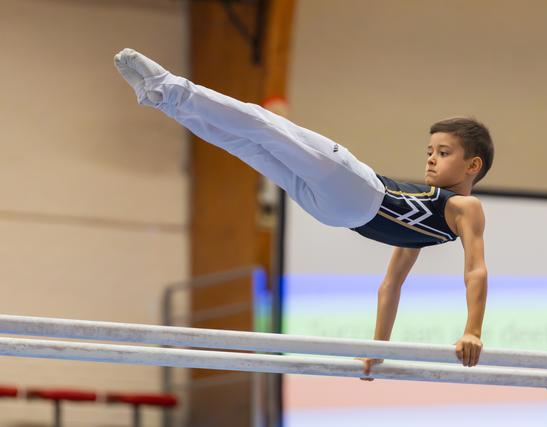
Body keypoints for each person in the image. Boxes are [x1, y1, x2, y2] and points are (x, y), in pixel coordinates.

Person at [113, 48, 492, 380]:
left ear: (472, 165)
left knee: (263, 125)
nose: (430, 158)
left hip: (359, 195)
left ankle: (170, 86)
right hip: (339, 212)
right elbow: (390, 285)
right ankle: (161, 97)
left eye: (443, 152)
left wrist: (472, 330)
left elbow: (475, 269)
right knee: (247, 144)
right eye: (430, 150)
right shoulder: (428, 223)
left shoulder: (464, 207)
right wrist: (379, 345)